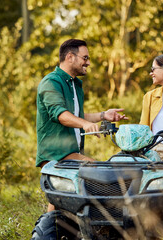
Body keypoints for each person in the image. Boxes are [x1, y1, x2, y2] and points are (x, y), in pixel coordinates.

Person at [36, 39, 128, 211]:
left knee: (61, 202)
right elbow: (61, 115)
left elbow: (76, 116)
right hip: (56, 152)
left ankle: (59, 231)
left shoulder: (75, 84)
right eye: (85, 58)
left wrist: (103, 115)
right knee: (97, 173)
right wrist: (85, 124)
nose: (88, 62)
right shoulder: (51, 82)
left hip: (71, 152)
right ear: (70, 57)